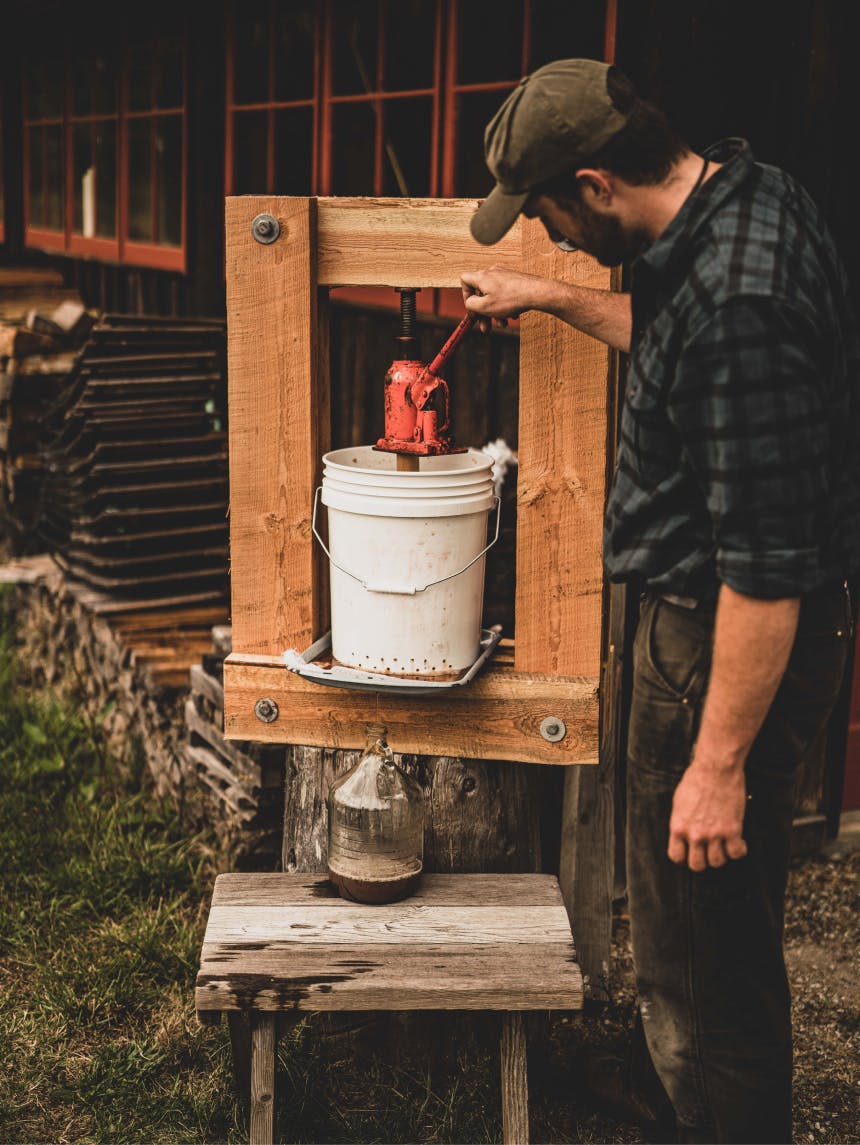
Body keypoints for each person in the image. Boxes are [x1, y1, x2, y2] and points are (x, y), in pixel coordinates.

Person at [461, 58, 860, 1144]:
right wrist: (546, 296)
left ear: (593, 183)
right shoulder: (736, 194)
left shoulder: (739, 301)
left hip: (724, 633)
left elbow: (766, 571)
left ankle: (719, 1107)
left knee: (704, 921)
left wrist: (716, 765)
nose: (545, 236)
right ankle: (674, 1067)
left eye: (544, 217)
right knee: (696, 917)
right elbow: (672, 341)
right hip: (703, 622)